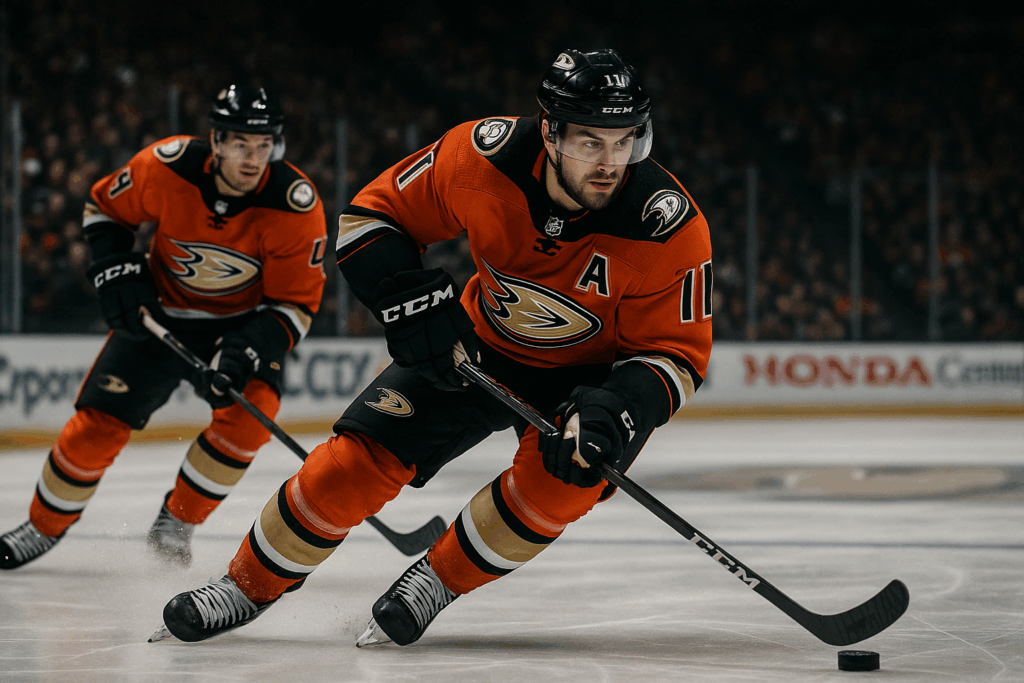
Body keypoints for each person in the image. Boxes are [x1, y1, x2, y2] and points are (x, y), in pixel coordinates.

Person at [154, 49, 712, 645]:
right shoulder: (480, 157)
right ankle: (244, 587)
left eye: (624, 142)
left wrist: (618, 409)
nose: (610, 164)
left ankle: (435, 583)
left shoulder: (669, 227)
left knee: (558, 487)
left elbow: (676, 356)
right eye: (590, 143)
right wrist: (410, 300)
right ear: (550, 132)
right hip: (472, 348)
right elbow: (372, 219)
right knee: (351, 465)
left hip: (588, 382)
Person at [0, 85, 327, 570]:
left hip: (240, 327)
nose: (253, 158)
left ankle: (177, 524)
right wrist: (117, 270)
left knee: (248, 419)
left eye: (263, 146)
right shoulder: (167, 166)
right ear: (215, 141)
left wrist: (244, 351)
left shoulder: (294, 206)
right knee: (94, 428)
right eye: (240, 143)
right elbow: (104, 208)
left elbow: (295, 305)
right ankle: (43, 526)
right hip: (160, 315)